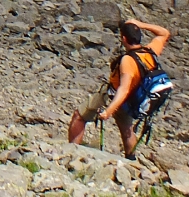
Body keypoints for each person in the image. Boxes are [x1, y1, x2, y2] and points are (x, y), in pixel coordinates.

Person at [68, 18, 171, 158]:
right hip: (133, 100)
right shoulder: (150, 51)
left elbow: (123, 89)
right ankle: (131, 159)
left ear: (123, 38)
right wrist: (140, 24)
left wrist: (108, 112)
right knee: (127, 129)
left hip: (114, 96)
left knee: (79, 116)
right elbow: (164, 33)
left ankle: (72, 152)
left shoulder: (128, 61)